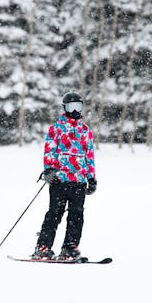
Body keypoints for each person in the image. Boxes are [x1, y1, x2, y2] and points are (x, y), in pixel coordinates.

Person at [32, 91, 97, 260]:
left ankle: (70, 247)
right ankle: (43, 246)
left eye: (78, 106)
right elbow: (50, 149)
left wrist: (91, 177)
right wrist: (48, 169)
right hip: (60, 179)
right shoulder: (57, 128)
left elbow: (89, 155)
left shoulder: (85, 131)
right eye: (71, 106)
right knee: (54, 213)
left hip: (79, 180)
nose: (75, 110)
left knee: (76, 215)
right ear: (64, 108)